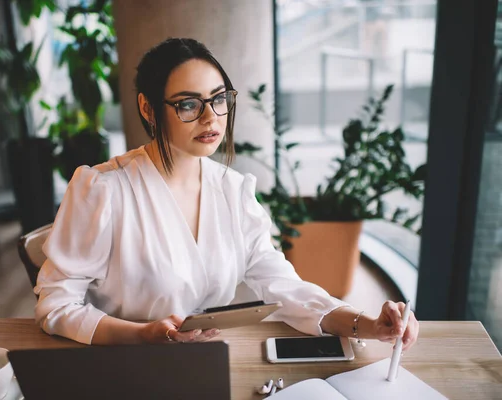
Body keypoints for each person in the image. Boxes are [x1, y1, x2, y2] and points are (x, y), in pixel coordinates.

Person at [34, 38, 419, 349]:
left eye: (219, 99)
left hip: (207, 364)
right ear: (148, 109)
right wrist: (142, 334)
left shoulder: (234, 192)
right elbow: (55, 304)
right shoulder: (103, 190)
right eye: (188, 104)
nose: (211, 118)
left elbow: (281, 286)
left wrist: (364, 324)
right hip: (122, 369)